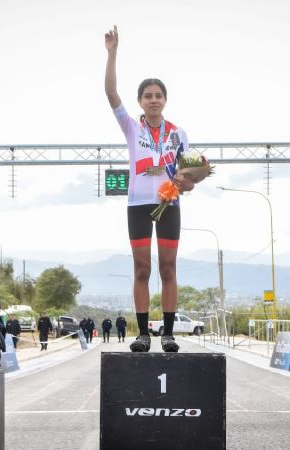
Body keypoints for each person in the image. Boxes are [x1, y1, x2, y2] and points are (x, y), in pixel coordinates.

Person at [105, 26, 193, 353]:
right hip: (138, 204)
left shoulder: (179, 133)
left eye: (158, 95)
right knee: (141, 269)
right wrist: (112, 53)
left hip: (168, 203)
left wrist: (189, 179)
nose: (153, 100)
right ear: (140, 101)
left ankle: (168, 333)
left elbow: (187, 171)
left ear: (165, 100)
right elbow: (110, 92)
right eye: (147, 96)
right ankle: (143, 333)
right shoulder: (131, 127)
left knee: (168, 268)